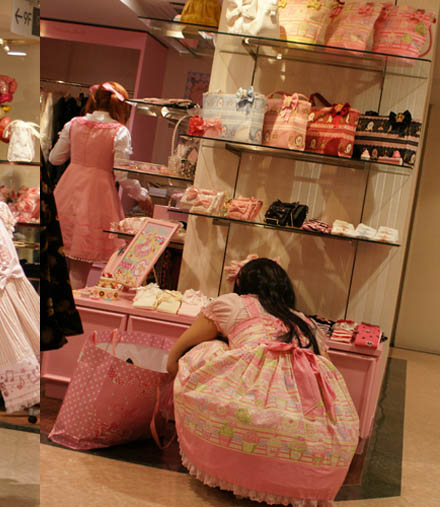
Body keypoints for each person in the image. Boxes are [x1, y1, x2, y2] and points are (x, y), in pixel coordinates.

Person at [167, 258, 359, 506]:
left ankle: (232, 462)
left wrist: (176, 370)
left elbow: (182, 348)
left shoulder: (232, 304)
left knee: (210, 346)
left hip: (255, 399)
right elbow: (327, 368)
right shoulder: (306, 322)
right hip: (309, 413)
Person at [49, 81, 153, 288]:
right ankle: (73, 316)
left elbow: (54, 158)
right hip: (98, 197)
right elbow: (123, 175)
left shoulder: (73, 124)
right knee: (79, 268)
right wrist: (142, 195)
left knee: (60, 265)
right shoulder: (119, 132)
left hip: (67, 193)